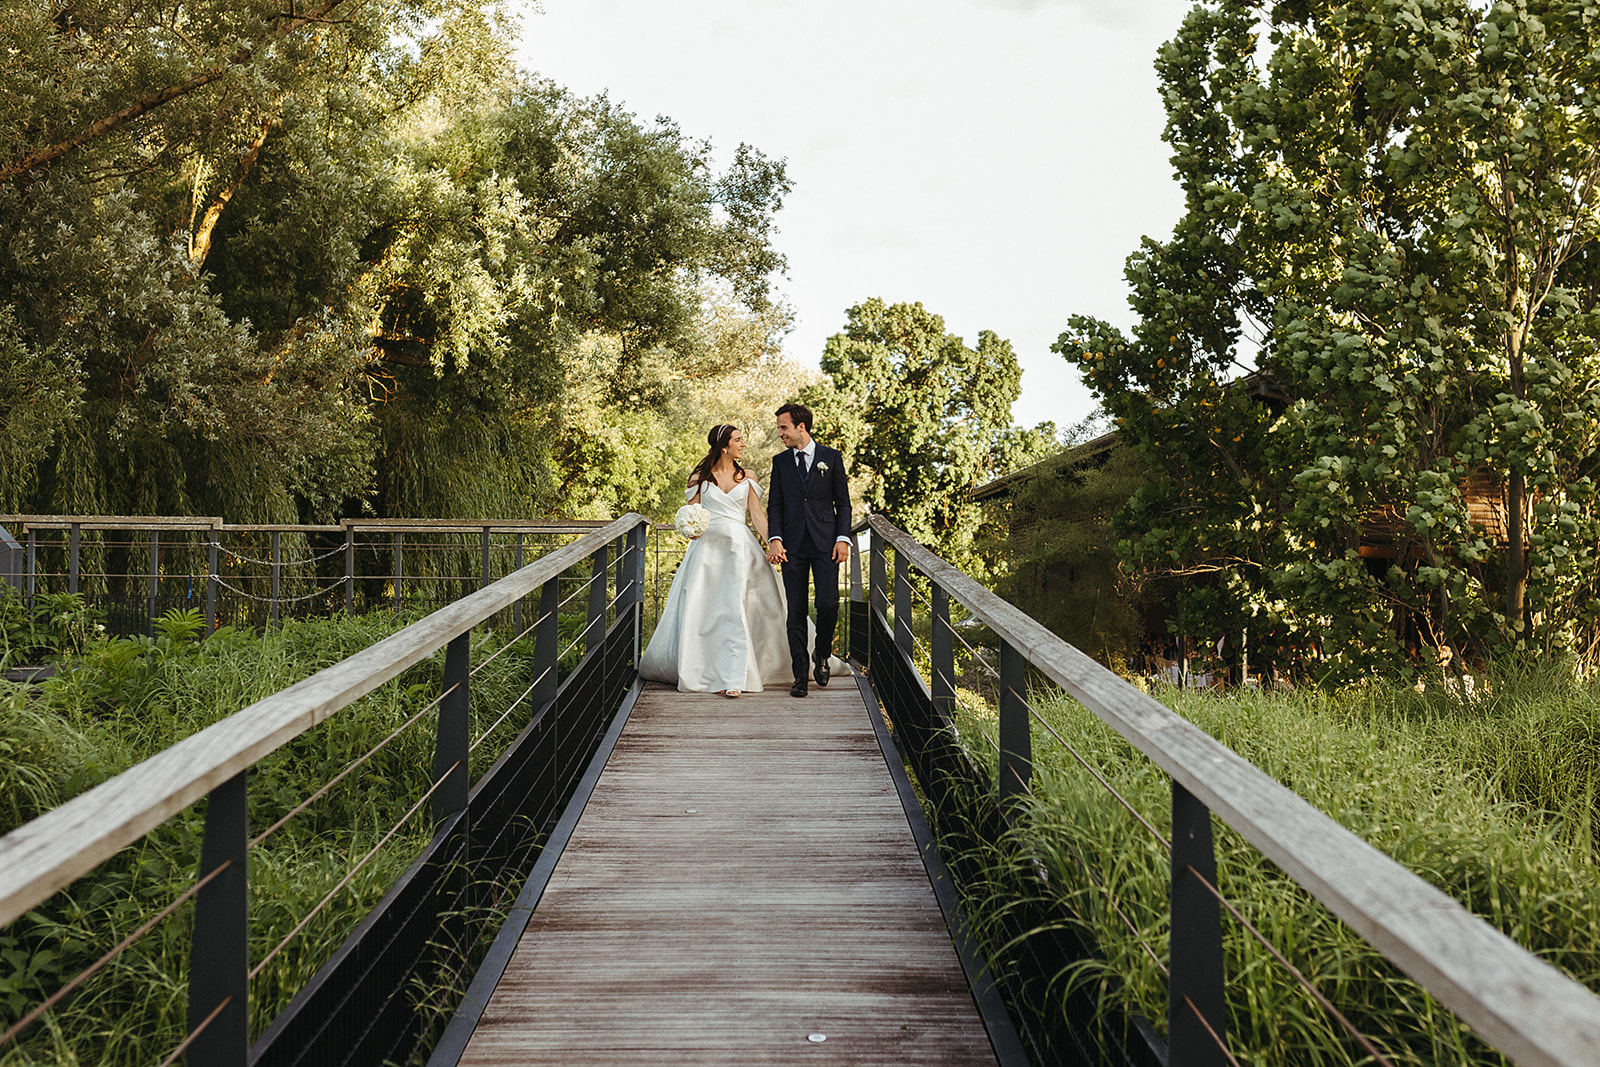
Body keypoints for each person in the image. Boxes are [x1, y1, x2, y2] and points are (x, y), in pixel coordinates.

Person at [639, 424, 793, 697]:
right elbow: (692, 513)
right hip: (708, 554)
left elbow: (757, 516)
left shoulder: (748, 476)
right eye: (738, 440)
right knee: (706, 612)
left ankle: (736, 677)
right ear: (724, 447)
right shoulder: (699, 478)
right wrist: (690, 529)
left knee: (738, 611)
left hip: (740, 550)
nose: (743, 444)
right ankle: (703, 670)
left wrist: (773, 542)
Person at [765, 402, 852, 697]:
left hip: (826, 542)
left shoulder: (831, 457)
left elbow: (844, 502)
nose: (780, 433)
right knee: (796, 611)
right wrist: (774, 538)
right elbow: (774, 504)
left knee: (828, 604)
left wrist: (843, 538)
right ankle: (800, 675)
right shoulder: (780, 462)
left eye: (783, 427)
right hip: (792, 545)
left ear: (801, 426)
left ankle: (823, 653)